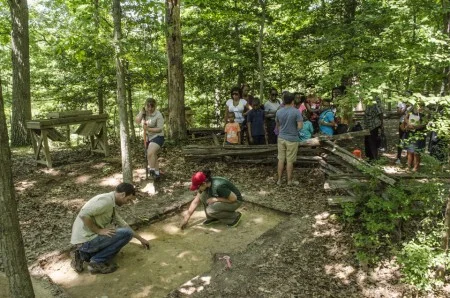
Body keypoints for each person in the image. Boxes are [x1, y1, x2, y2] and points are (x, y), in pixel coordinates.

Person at [70, 183, 150, 274]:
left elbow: (123, 224)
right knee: (127, 234)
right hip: (86, 240)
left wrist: (140, 239)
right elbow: (83, 215)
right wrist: (98, 230)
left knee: (126, 232)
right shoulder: (106, 201)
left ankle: (81, 255)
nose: (127, 203)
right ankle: (97, 261)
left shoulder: (110, 202)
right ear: (123, 194)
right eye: (128, 200)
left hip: (84, 241)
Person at [275, 92, 303, 186]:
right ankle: (289, 181)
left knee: (281, 159)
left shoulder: (279, 111)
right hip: (292, 139)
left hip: (281, 137)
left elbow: (278, 125)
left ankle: (279, 180)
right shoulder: (296, 111)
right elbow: (300, 126)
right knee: (290, 161)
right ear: (292, 101)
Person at [135, 98, 165, 180]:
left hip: (158, 136)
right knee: (153, 155)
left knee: (150, 153)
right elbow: (137, 121)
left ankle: (151, 170)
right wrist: (142, 113)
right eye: (148, 106)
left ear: (155, 106)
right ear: (145, 106)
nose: (150, 108)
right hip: (148, 137)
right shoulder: (144, 113)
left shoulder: (158, 115)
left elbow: (160, 129)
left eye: (152, 106)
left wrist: (148, 129)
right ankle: (157, 173)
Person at [402, 104, 427, 171]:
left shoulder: (425, 110)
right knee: (410, 150)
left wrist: (415, 127)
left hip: (420, 133)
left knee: (417, 151)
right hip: (410, 131)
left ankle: (416, 167)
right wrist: (409, 124)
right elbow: (405, 117)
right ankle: (409, 165)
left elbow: (425, 123)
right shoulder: (410, 108)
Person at [363, 96, 384, 161]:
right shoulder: (368, 98)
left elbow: (380, 112)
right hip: (367, 125)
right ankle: (369, 158)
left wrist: (382, 124)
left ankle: (374, 158)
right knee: (367, 142)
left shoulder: (376, 99)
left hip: (373, 125)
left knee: (372, 142)